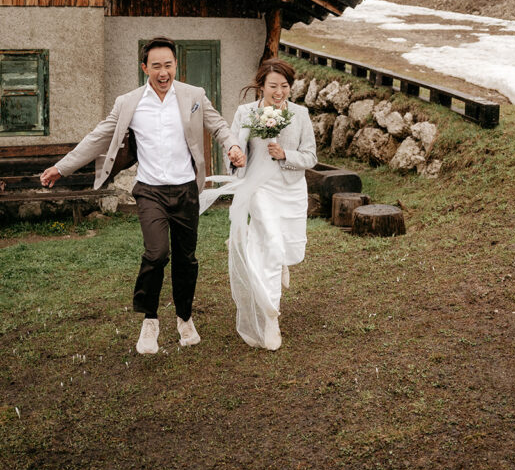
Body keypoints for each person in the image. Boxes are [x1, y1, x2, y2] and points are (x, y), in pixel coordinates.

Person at [39, 37, 246, 356]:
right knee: (156, 253)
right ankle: (150, 320)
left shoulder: (194, 96)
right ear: (144, 68)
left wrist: (231, 146)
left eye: (168, 65)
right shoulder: (129, 103)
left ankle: (184, 318)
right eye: (156, 66)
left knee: (186, 259)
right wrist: (61, 168)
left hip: (186, 190)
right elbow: (97, 138)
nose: (163, 72)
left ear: (175, 65)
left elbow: (219, 126)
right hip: (149, 191)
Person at [200, 59, 316, 351]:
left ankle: (274, 257)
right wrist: (235, 158)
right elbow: (234, 149)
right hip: (259, 189)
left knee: (287, 248)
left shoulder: (300, 114)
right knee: (273, 246)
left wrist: (285, 154)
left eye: (284, 86)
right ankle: (270, 317)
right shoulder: (246, 113)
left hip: (290, 190)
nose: (279, 92)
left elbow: (310, 156)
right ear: (261, 86)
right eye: (273, 86)